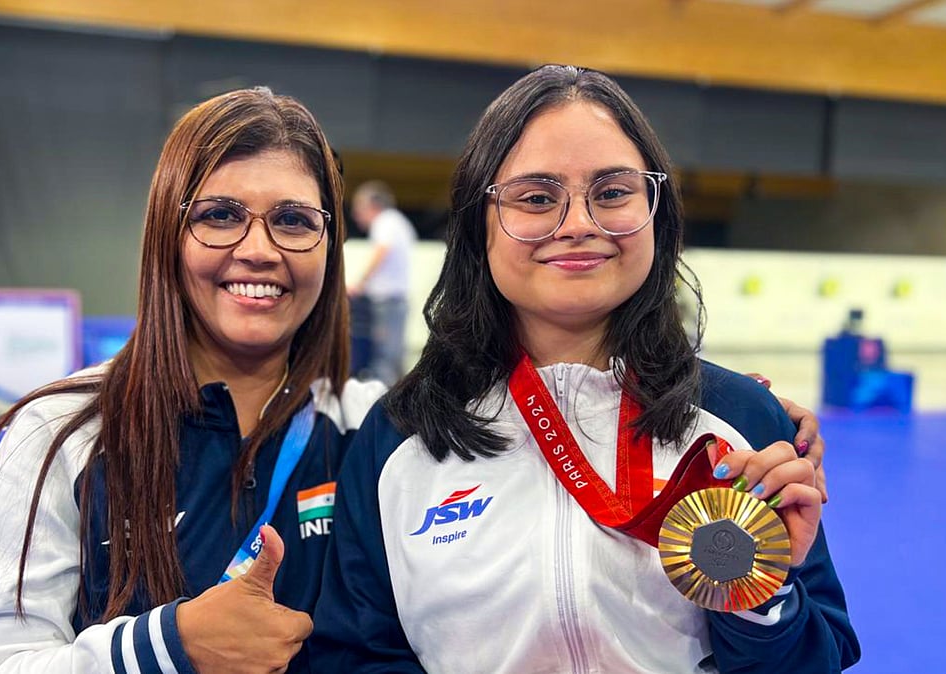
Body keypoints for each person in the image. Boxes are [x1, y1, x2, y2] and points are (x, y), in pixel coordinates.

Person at [311, 66, 858, 672]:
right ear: (477, 223)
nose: (577, 224)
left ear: (657, 213)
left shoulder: (741, 421)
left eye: (613, 192)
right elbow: (355, 654)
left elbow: (818, 656)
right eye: (538, 197)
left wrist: (764, 597)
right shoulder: (401, 438)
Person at [0, 87, 385, 673]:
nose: (259, 250)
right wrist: (165, 650)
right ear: (166, 236)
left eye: (293, 220)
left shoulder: (372, 430)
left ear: (330, 248)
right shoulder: (59, 434)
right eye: (220, 215)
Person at [347, 180, 417, 384]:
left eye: (360, 209)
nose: (356, 216)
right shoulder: (398, 222)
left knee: (384, 358)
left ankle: (382, 410)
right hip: (395, 302)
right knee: (394, 356)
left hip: (387, 303)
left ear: (373, 206)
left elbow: (381, 252)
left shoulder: (385, 222)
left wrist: (360, 283)